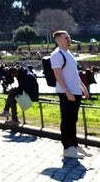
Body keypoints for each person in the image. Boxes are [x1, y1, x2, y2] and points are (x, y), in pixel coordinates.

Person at [51, 30, 92, 159]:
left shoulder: (69, 54)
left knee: (73, 119)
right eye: (66, 38)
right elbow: (57, 74)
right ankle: (67, 147)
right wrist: (67, 90)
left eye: (69, 37)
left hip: (75, 91)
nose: (69, 40)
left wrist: (83, 88)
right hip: (66, 92)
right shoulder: (56, 55)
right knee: (67, 120)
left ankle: (74, 144)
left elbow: (74, 73)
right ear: (58, 40)